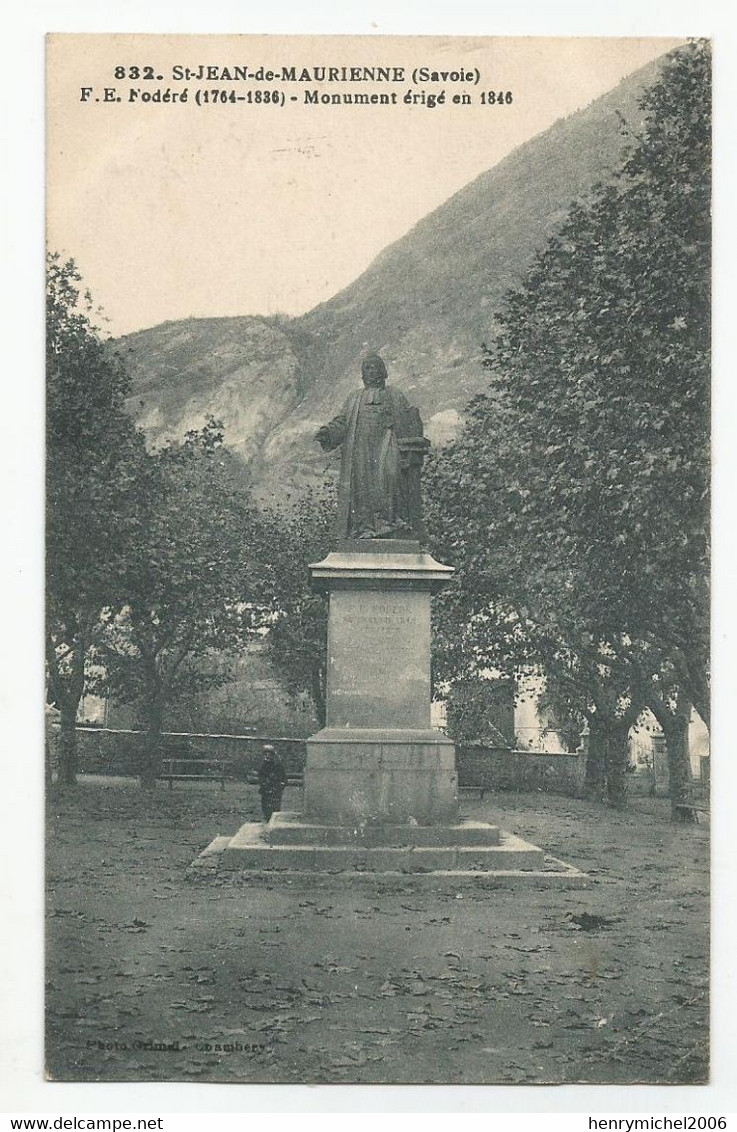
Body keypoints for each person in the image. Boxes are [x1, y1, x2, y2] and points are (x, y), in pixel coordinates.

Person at [315, 352, 429, 541]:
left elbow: (409, 419)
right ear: (362, 374)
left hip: (387, 442)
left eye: (375, 367)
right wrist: (328, 432)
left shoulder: (394, 394)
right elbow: (342, 422)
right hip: (360, 448)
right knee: (362, 486)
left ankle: (391, 523)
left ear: (383, 371)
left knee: (391, 478)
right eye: (366, 368)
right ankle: (365, 528)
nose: (371, 371)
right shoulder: (354, 398)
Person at [257, 744, 288, 822]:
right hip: (266, 790)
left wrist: (281, 784)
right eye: (266, 754)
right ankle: (267, 820)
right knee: (266, 808)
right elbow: (261, 777)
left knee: (275, 808)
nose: (268, 756)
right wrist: (264, 783)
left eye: (270, 754)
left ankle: (273, 822)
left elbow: (283, 778)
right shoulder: (263, 766)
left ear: (273, 755)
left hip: (276, 790)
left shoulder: (277, 765)